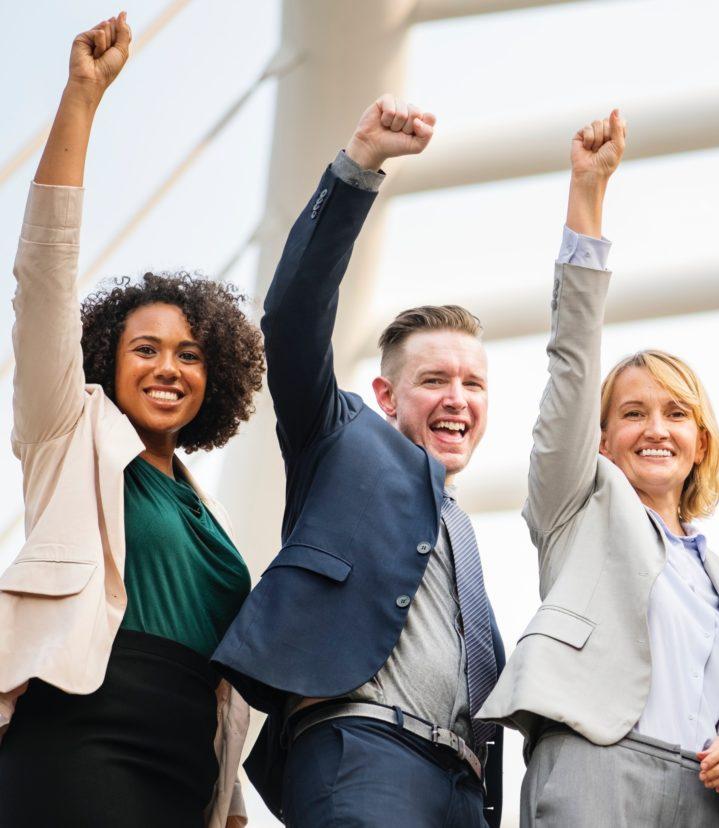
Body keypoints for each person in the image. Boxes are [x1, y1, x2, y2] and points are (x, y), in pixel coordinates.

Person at [0, 13, 264, 828]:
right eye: (144, 349)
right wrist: (82, 98)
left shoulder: (207, 513)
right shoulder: (65, 434)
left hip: (187, 758)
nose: (167, 368)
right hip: (82, 730)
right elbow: (45, 274)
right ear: (105, 364)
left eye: (188, 355)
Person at [212, 94, 504, 828]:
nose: (457, 399)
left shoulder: (459, 531)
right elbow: (294, 315)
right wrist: (360, 166)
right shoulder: (339, 437)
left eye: (473, 384)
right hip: (365, 750)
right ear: (384, 394)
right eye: (434, 380)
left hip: (464, 789)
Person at [478, 110, 719, 827]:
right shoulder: (578, 507)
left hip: (706, 797)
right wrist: (588, 195)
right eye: (633, 413)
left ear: (700, 442)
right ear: (602, 440)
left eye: (676, 413)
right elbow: (574, 361)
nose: (655, 428)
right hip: (599, 765)